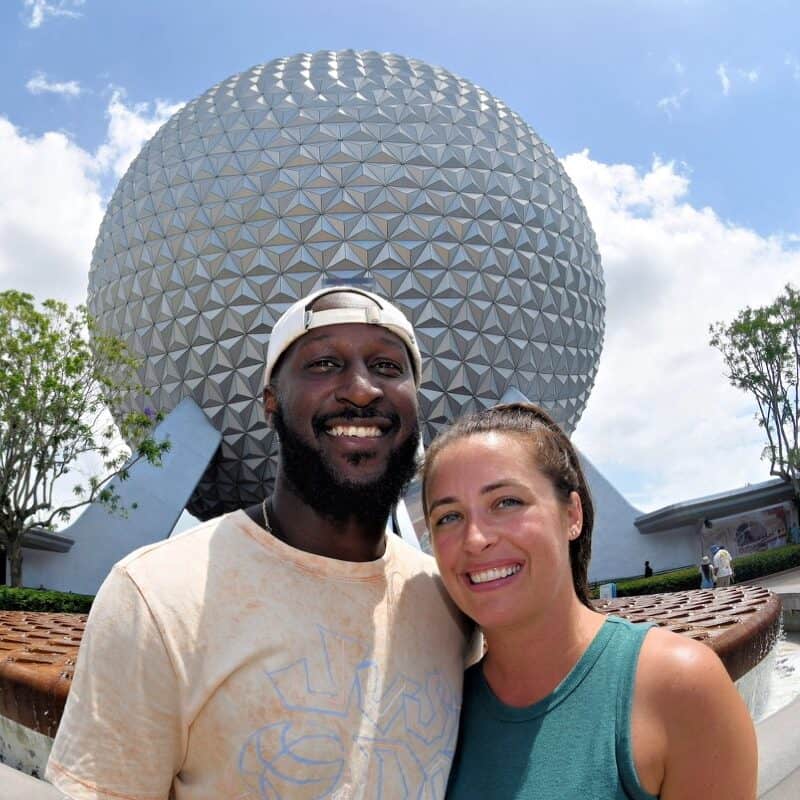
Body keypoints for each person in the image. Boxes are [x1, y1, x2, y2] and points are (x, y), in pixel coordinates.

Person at [46, 286, 476, 800]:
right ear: (271, 402)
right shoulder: (158, 597)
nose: (361, 389)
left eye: (386, 366)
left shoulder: (449, 601)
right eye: (323, 364)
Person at [421, 402, 757, 800]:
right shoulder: (431, 710)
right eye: (448, 517)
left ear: (572, 515)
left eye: (507, 502)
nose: (476, 538)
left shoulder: (679, 688)